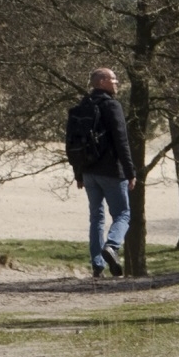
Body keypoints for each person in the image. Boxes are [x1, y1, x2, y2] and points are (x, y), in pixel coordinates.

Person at [64, 68, 135, 276]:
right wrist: (130, 172)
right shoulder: (112, 106)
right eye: (113, 78)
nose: (117, 82)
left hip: (88, 171)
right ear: (102, 81)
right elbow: (122, 141)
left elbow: (71, 142)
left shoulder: (80, 108)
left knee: (96, 217)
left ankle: (97, 264)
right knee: (123, 213)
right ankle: (112, 246)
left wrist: (78, 173)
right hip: (111, 170)